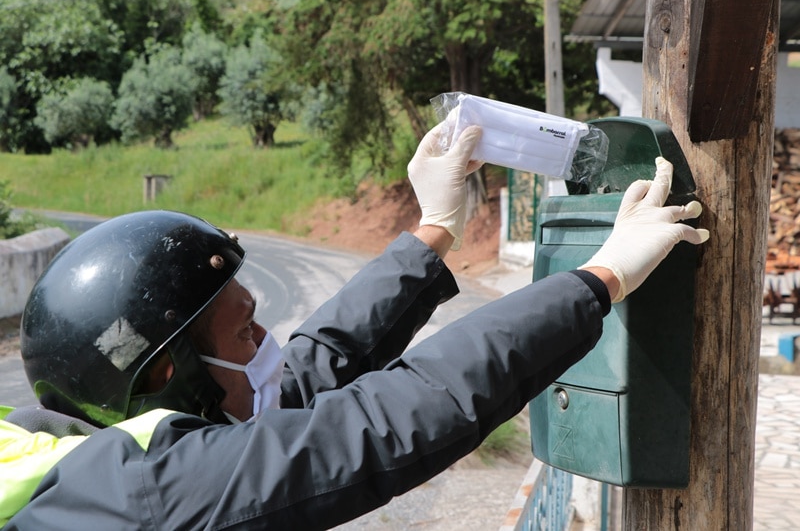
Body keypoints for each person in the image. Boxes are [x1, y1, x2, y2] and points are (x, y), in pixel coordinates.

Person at [1, 123, 709, 529]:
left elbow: (309, 380)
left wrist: (433, 231)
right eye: (245, 333)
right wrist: (600, 278)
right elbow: (378, 423)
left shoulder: (86, 457)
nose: (267, 345)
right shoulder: (150, 496)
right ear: (164, 374)